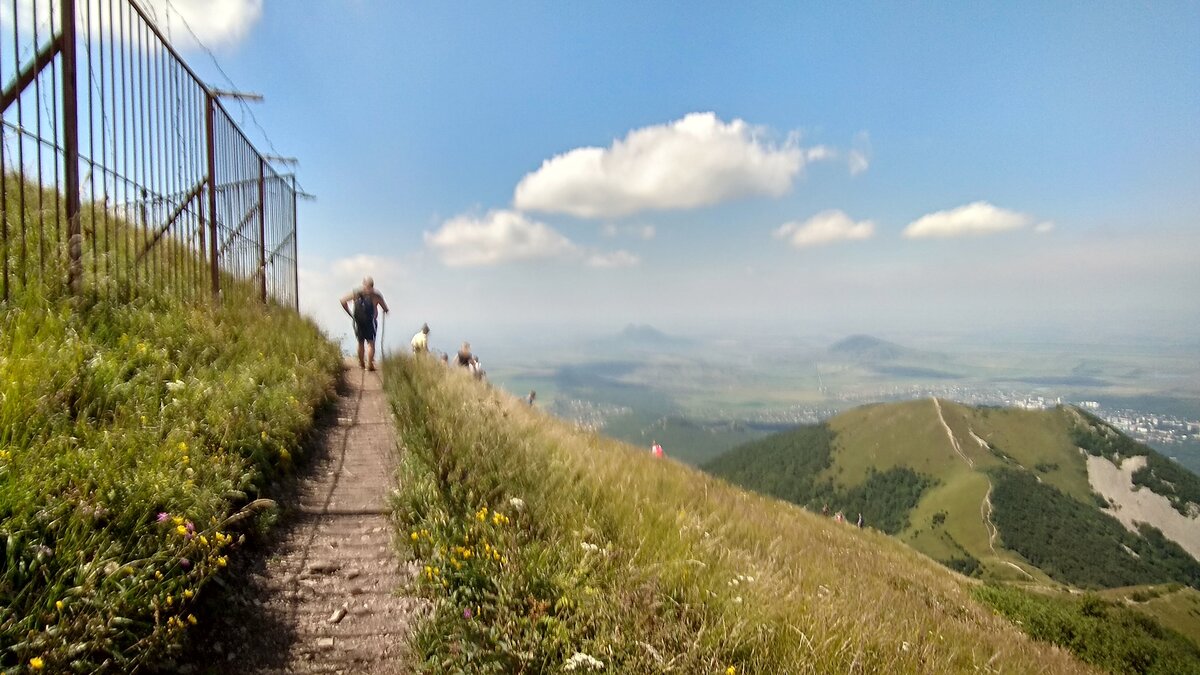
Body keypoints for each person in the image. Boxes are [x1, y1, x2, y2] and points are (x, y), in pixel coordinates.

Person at [339, 276, 389, 371]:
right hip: (371, 321)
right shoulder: (376, 295)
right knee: (371, 342)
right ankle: (369, 364)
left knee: (360, 342)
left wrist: (350, 314)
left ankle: (361, 363)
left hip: (358, 321)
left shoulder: (356, 293)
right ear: (372, 285)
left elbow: (342, 301)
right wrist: (385, 310)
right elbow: (385, 308)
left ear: (363, 284)